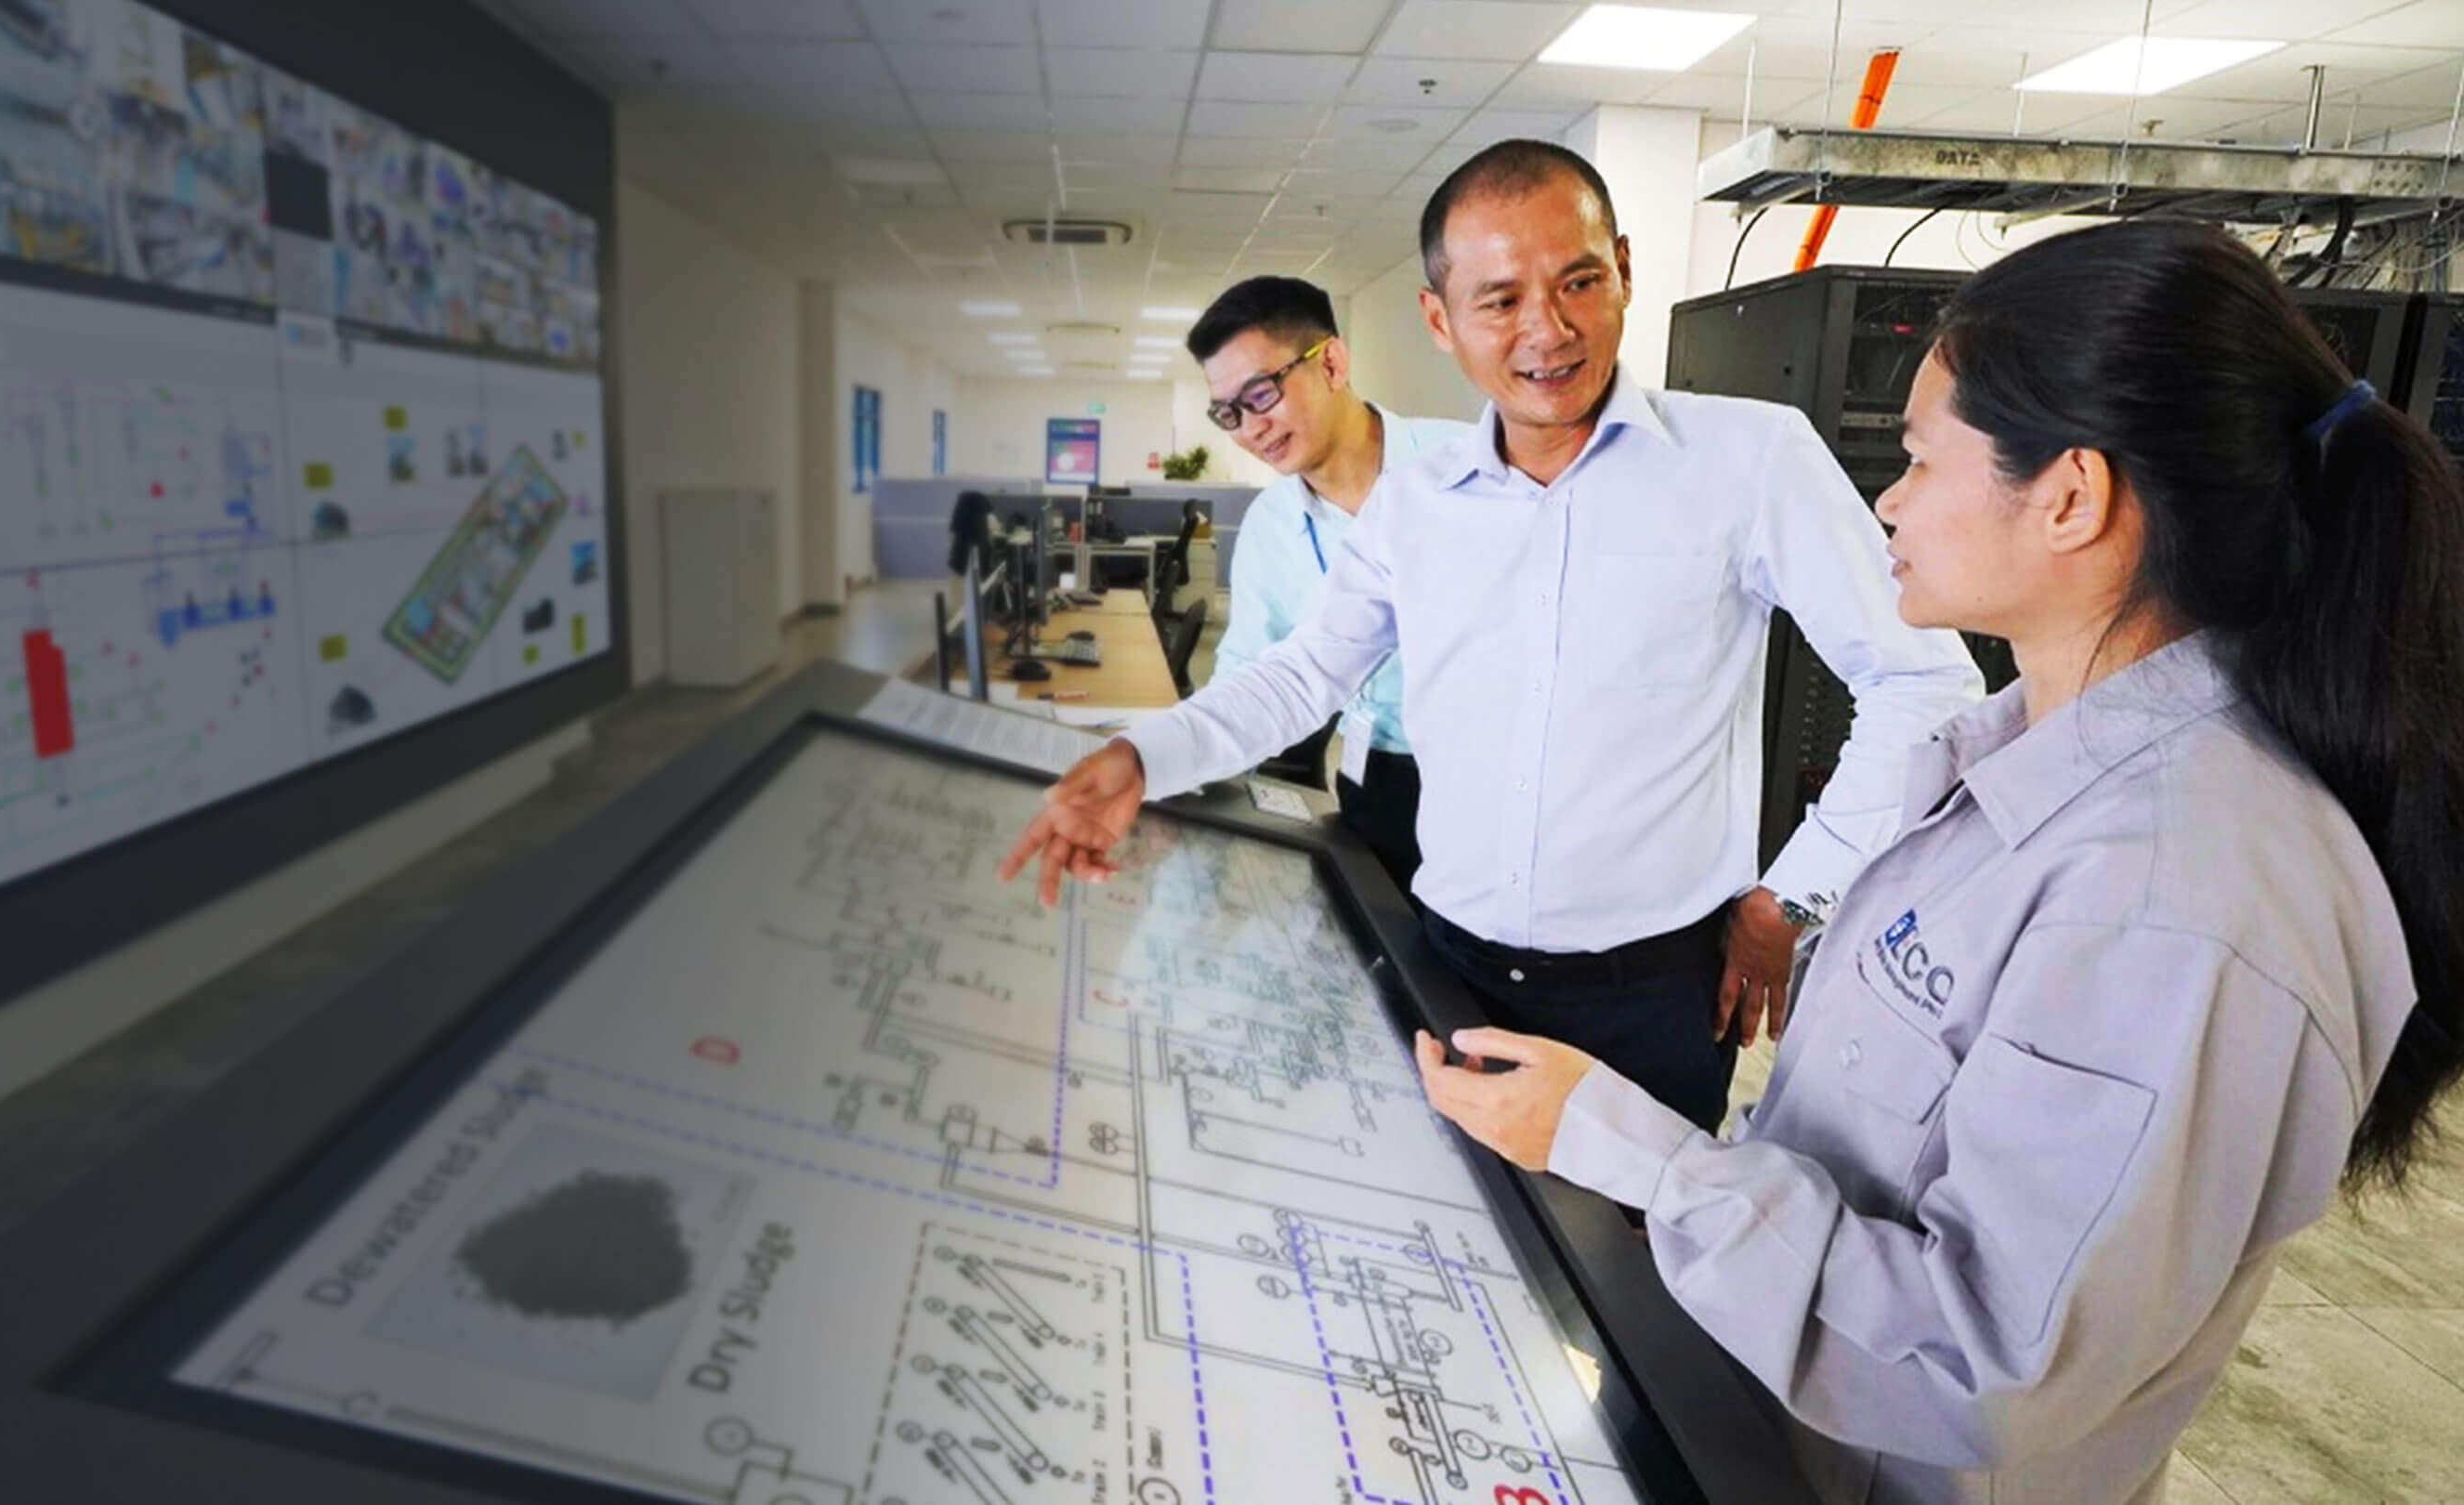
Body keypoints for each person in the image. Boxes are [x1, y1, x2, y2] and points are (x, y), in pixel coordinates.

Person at [1413, 217, 2464, 1504]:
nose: (1888, 499)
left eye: (1917, 459)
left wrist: (1639, 1153)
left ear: (2070, 495)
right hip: (1773, 1429)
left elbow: (1983, 1371)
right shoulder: (2022, 763)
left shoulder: (2180, 896)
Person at [999, 139, 1983, 1132]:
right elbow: (1300, 676)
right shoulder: (1413, 501)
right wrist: (1140, 756)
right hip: (1451, 966)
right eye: (1499, 299)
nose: (1547, 331)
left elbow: (1926, 683)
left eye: (1580, 281)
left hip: (1652, 997)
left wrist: (1794, 898)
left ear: (1626, 272)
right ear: (1440, 319)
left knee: (1631, 1271)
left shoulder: (1749, 460)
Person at [1187, 276, 1473, 895]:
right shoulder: (1271, 523)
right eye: (1228, 413)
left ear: (1333, 363)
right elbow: (1244, 669)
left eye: (1261, 394)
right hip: (1372, 775)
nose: (1249, 429)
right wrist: (1164, 757)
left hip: (1488, 781)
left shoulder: (1468, 466)